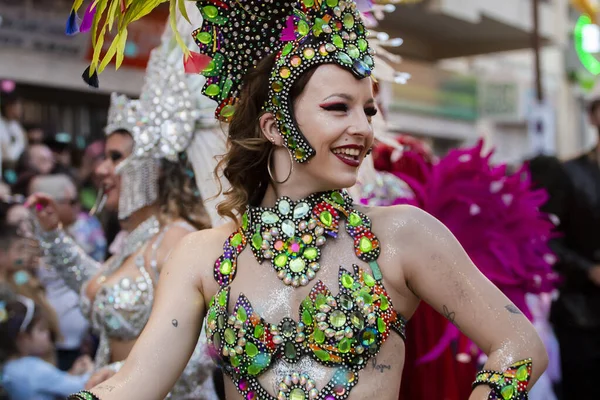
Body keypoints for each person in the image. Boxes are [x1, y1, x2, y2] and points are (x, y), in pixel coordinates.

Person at [67, 1, 548, 399]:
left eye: (368, 109)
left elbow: (521, 343)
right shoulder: (202, 256)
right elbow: (132, 386)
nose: (362, 128)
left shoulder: (403, 235)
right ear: (275, 127)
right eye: (338, 107)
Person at [26, 12, 220, 399]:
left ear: (148, 167)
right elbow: (97, 286)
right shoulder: (135, 242)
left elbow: (208, 348)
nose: (101, 169)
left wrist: (125, 373)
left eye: (115, 158)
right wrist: (52, 235)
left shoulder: (181, 242)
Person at [528, 99, 600, 399]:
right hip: (581, 314)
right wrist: (589, 270)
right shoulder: (569, 173)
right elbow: (547, 236)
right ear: (593, 118)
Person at [0, 296, 94, 400]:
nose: (47, 334)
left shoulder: (10, 366)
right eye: (41, 329)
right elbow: (83, 388)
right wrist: (90, 372)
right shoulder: (34, 369)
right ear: (22, 338)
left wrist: (72, 373)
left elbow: (53, 382)